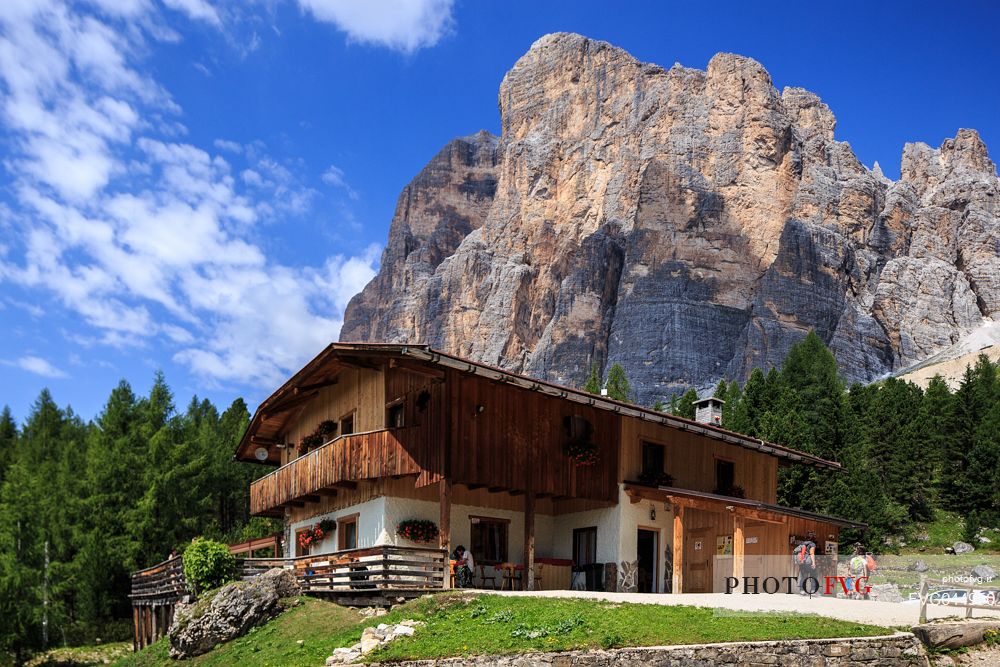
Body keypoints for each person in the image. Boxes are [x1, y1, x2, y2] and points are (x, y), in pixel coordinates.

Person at [794, 531, 817, 596]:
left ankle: (802, 590)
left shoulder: (802, 543)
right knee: (813, 575)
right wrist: (814, 563)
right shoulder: (812, 544)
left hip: (802, 562)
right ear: (813, 538)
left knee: (803, 576)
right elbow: (812, 553)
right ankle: (813, 590)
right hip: (808, 562)